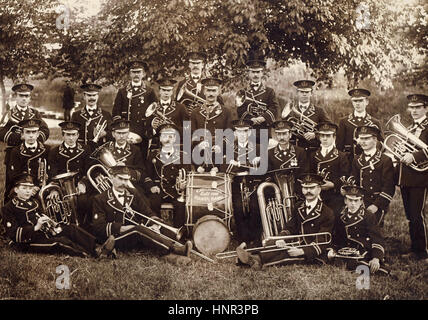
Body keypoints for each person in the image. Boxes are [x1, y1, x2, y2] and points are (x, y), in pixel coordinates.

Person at [235, 173, 334, 270]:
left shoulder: (327, 212)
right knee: (272, 242)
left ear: (319, 189)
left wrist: (302, 251)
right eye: (305, 188)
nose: (308, 191)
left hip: (313, 252)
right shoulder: (299, 206)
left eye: (312, 188)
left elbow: (322, 241)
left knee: (286, 255)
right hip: (297, 243)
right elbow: (290, 227)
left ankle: (255, 260)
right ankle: (250, 257)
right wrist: (281, 238)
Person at [91, 165, 193, 258]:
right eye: (120, 179)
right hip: (118, 239)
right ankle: (175, 249)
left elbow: (148, 212)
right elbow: (98, 227)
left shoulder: (133, 192)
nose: (124, 183)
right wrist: (124, 228)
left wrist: (155, 225)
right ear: (112, 177)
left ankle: (178, 245)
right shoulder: (100, 198)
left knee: (159, 223)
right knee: (138, 229)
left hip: (138, 235)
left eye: (126, 180)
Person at [2, 173, 113, 258]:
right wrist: (35, 227)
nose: (28, 191)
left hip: (44, 233)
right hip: (27, 242)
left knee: (71, 228)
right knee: (59, 242)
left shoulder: (34, 202)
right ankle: (92, 254)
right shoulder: (8, 208)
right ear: (16, 189)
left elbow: (42, 215)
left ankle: (97, 246)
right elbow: (13, 234)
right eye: (24, 188)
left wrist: (52, 224)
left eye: (30, 188)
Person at [0, 83, 50, 202]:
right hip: (14, 154)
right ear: (16, 97)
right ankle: (9, 210)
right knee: (12, 185)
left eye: (26, 96)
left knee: (33, 180)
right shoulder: (9, 114)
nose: (24, 98)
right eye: (21, 95)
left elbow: (45, 130)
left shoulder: (35, 114)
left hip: (33, 153)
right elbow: (1, 131)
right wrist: (20, 137)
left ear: (29, 98)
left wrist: (33, 138)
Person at [396, 94, 428, 263]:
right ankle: (414, 248)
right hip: (407, 177)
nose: (414, 111)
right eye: (411, 107)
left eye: (418, 107)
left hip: (420, 178)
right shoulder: (408, 128)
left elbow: (421, 152)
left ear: (426, 108)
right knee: (410, 215)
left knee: (417, 215)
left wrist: (414, 156)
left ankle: (422, 252)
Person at [329, 185, 389, 275]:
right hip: (346, 251)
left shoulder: (368, 216)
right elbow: (337, 237)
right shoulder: (340, 215)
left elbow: (377, 238)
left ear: (361, 201)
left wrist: (376, 258)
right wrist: (333, 249)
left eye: (356, 200)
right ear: (345, 201)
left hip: (364, 250)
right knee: (336, 260)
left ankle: (372, 266)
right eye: (350, 200)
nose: (353, 204)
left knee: (374, 267)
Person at [224, 119, 264, 243]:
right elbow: (224, 168)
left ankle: (255, 238)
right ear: (235, 133)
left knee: (255, 207)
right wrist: (248, 164)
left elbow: (263, 169)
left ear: (250, 133)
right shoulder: (229, 148)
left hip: (253, 183)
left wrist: (238, 164)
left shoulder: (258, 148)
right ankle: (242, 239)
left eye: (245, 131)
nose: (242, 135)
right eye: (239, 132)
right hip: (236, 184)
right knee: (239, 208)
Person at [47, 121, 92, 226]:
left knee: (84, 201)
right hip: (62, 188)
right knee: (55, 204)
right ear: (63, 135)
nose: (71, 138)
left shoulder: (85, 149)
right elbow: (52, 173)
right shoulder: (55, 151)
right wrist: (54, 189)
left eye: (73, 134)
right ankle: (63, 228)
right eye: (68, 134)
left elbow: (88, 170)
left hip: (79, 187)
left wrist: (83, 183)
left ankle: (85, 227)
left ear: (78, 135)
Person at [147, 124, 192, 228]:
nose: (167, 139)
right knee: (152, 203)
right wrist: (151, 186)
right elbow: (147, 175)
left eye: (171, 136)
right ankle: (156, 231)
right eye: (164, 136)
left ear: (175, 138)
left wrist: (184, 185)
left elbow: (188, 174)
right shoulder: (153, 155)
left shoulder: (183, 155)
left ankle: (178, 234)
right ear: (160, 138)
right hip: (158, 190)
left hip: (175, 191)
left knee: (181, 205)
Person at [350, 125, 395, 227]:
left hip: (376, 202)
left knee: (372, 231)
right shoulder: (356, 159)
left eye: (366, 138)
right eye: (361, 138)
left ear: (375, 140)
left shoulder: (385, 160)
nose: (363, 142)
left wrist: (376, 205)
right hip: (358, 201)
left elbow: (389, 187)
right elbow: (354, 179)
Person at [112, 60, 157, 159]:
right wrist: (121, 129)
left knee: (142, 158)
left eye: (139, 72)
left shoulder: (149, 91)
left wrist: (149, 130)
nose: (136, 74)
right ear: (130, 74)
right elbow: (116, 112)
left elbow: (155, 112)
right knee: (126, 158)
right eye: (133, 72)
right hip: (126, 132)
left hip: (143, 131)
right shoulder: (122, 91)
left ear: (143, 74)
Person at [282, 80, 330, 165]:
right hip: (294, 150)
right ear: (297, 93)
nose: (304, 94)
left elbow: (330, 128)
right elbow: (283, 129)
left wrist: (315, 134)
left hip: (313, 150)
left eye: (307, 92)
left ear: (311, 93)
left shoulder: (319, 111)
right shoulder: (291, 111)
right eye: (302, 92)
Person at [190, 77, 233, 170]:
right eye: (208, 90)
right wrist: (198, 145)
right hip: (200, 158)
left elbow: (229, 136)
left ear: (218, 92)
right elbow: (191, 136)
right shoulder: (195, 112)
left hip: (219, 158)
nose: (211, 94)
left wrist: (220, 146)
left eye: (214, 91)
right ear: (204, 92)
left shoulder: (226, 112)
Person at [310, 122, 350, 216]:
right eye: (322, 135)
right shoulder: (313, 155)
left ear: (334, 137)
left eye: (328, 136)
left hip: (335, 196)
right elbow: (310, 174)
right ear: (319, 137)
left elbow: (345, 175)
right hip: (317, 195)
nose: (325, 138)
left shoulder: (341, 156)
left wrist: (333, 184)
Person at [5, 119, 49, 203]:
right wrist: (29, 187)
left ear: (38, 134)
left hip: (42, 186)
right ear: (22, 135)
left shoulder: (47, 149)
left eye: (34, 132)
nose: (31, 135)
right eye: (28, 132)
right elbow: (14, 175)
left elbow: (50, 172)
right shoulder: (16, 151)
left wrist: (40, 186)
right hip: (23, 186)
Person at [236, 59, 278, 144]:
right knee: (249, 155)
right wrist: (251, 119)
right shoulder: (242, 92)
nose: (255, 75)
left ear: (262, 73)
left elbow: (274, 108)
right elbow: (240, 110)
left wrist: (262, 118)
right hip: (248, 130)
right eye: (253, 72)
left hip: (264, 130)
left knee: (263, 155)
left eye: (258, 72)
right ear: (249, 73)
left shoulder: (269, 91)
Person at [336, 88, 382, 162]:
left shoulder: (375, 122)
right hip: (349, 161)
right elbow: (339, 146)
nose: (357, 103)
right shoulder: (344, 122)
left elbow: (381, 145)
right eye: (355, 101)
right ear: (352, 102)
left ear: (367, 102)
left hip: (369, 162)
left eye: (361, 100)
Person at [146, 78, 188, 150]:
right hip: (157, 146)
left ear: (172, 92)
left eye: (168, 90)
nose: (166, 93)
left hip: (175, 146)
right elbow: (146, 131)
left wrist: (173, 128)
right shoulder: (153, 107)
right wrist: (154, 129)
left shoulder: (180, 107)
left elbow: (187, 130)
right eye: (164, 90)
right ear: (159, 91)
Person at [71, 83, 112, 150]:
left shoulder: (106, 115)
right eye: (89, 95)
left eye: (94, 95)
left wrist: (105, 133)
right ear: (84, 96)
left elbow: (113, 134)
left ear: (98, 96)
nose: (92, 98)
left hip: (99, 153)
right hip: (81, 153)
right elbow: (71, 135)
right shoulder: (76, 115)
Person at [176, 51, 208, 117]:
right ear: (189, 65)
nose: (195, 65)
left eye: (198, 63)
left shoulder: (209, 83)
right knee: (186, 128)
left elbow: (219, 105)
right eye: (193, 63)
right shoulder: (182, 83)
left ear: (203, 65)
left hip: (203, 120)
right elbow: (177, 104)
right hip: (187, 121)